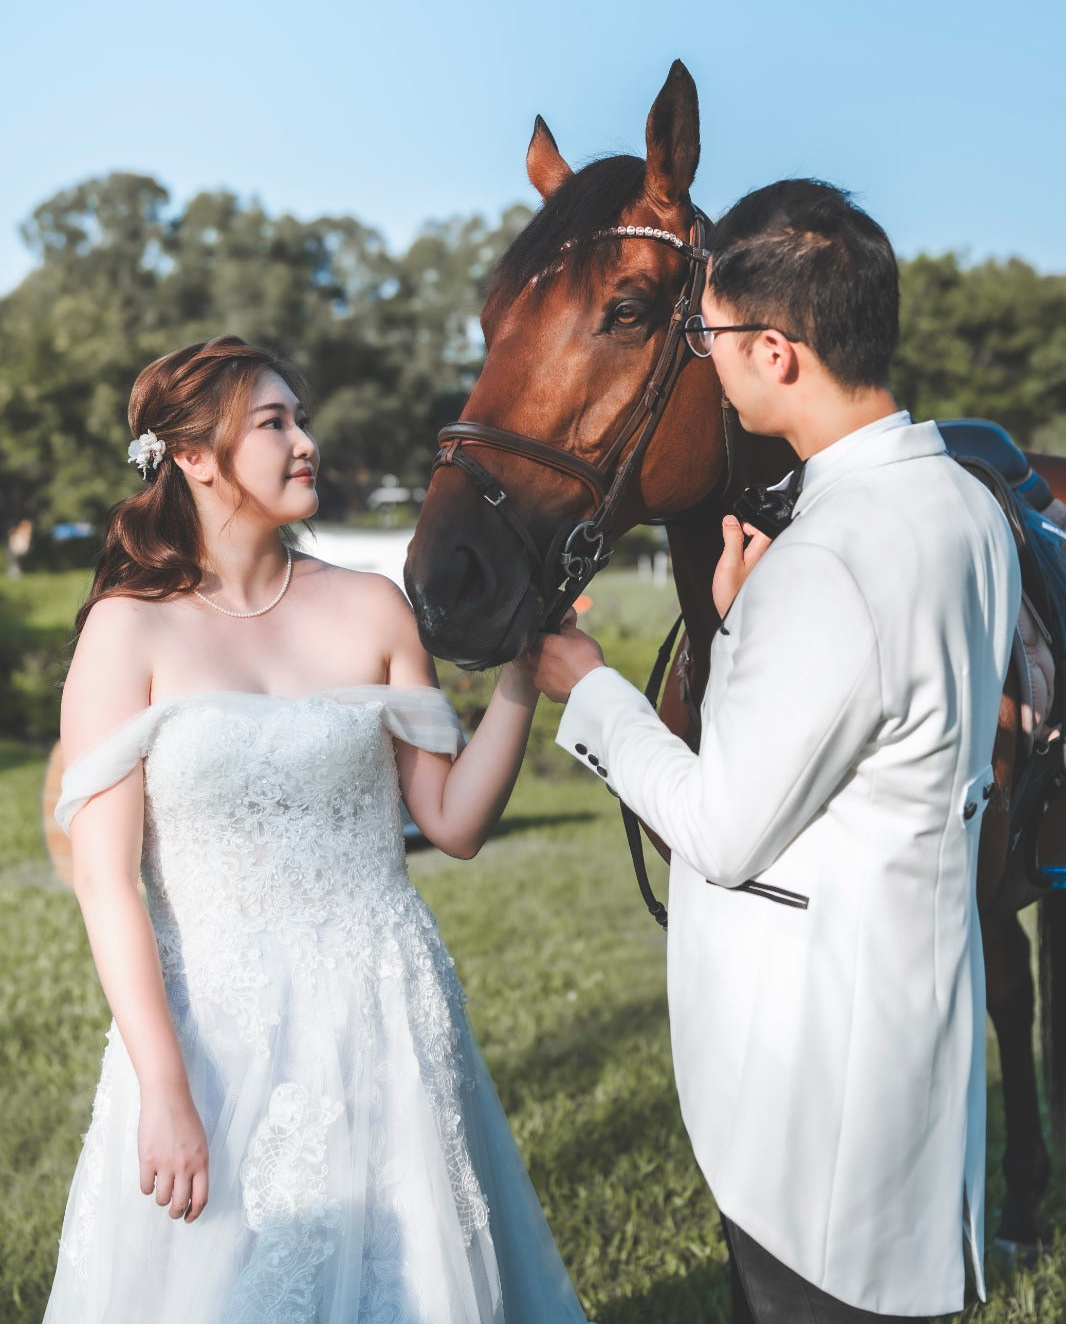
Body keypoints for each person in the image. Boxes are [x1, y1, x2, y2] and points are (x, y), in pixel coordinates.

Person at [527, 181, 1021, 1323]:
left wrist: (589, 688)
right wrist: (746, 622)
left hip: (810, 1082)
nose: (702, 361)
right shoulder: (962, 505)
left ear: (776, 350)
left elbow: (720, 826)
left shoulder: (827, 557)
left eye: (704, 337)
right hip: (906, 1023)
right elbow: (875, 729)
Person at [45, 335, 588, 1324]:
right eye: (275, 422)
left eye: (301, 417)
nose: (308, 441)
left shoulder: (372, 607)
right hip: (213, 1030)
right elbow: (106, 882)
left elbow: (453, 821)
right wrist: (165, 1089)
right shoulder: (129, 630)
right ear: (196, 457)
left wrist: (521, 672)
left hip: (385, 1007)